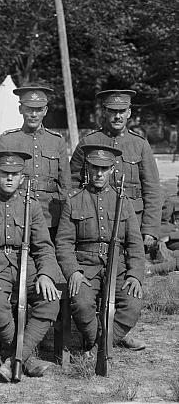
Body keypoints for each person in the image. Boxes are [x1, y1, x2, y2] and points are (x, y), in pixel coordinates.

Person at [69, 90, 160, 351]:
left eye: (122, 111)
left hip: (130, 222)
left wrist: (150, 229)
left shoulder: (140, 145)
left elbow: (152, 188)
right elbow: (72, 182)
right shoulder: (89, 142)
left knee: (129, 283)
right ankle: (102, 333)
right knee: (96, 279)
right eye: (112, 111)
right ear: (104, 113)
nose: (117, 116)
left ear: (129, 113)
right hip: (93, 219)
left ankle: (121, 331)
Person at [0, 151, 63, 381]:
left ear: (22, 178)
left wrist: (46, 274)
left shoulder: (33, 207)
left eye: (15, 174)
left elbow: (45, 248)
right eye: (4, 173)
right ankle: (27, 358)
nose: (9, 179)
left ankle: (14, 359)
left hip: (27, 268)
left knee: (50, 301)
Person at [56, 144, 146, 355]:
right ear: (87, 167)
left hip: (118, 267)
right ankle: (105, 341)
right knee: (81, 302)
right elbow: (64, 243)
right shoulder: (73, 201)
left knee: (132, 304)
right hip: (86, 267)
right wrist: (73, 271)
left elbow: (135, 243)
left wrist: (135, 275)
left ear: (112, 170)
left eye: (104, 169)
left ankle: (99, 346)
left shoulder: (123, 202)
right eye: (94, 167)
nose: (98, 173)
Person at [0, 85, 70, 226]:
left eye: (39, 110)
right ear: (21, 109)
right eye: (29, 109)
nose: (34, 115)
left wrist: (64, 217)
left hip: (49, 215)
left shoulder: (57, 141)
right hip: (16, 213)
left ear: (45, 111)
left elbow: (65, 185)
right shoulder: (7, 140)